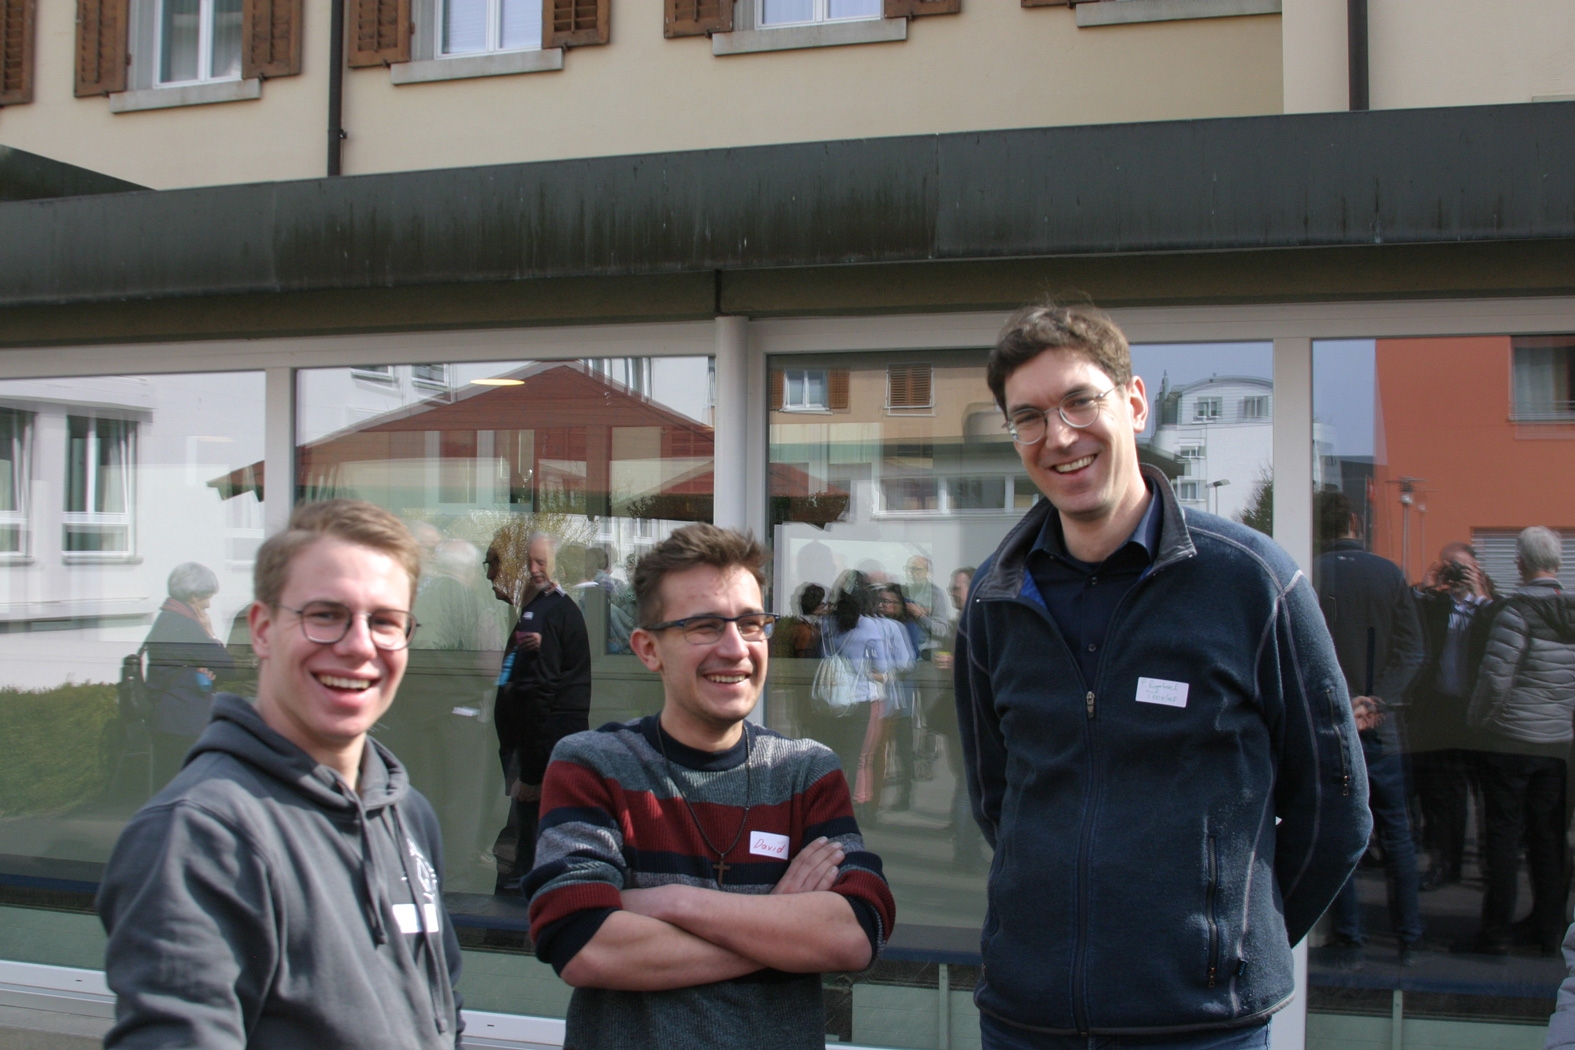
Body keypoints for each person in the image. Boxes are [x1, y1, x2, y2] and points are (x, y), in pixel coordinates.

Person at [954, 302, 1369, 1046]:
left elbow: (1335, 809)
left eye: (1080, 401)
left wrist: (1229, 946)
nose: (1059, 436)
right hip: (1026, 1017)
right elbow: (999, 801)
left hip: (1200, 1026)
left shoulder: (1250, 582)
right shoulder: (995, 597)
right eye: (1029, 417)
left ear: (1135, 404)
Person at [96, 499, 463, 1049]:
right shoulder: (198, 836)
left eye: (385, 621)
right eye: (325, 615)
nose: (359, 645)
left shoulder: (407, 814)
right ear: (263, 630)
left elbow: (441, 1014)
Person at [525, 524, 895, 1050]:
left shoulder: (806, 772)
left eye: (750, 624)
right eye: (704, 626)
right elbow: (582, 943)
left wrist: (674, 902)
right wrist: (780, 921)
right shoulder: (594, 765)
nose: (735, 648)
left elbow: (855, 933)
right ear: (648, 648)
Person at [1313, 490, 1425, 965]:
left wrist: (1344, 704)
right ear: (1355, 523)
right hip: (1381, 724)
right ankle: (1409, 937)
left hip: (1331, 724)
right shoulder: (1388, 573)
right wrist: (1378, 700)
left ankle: (1349, 934)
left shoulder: (1311, 573)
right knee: (1396, 833)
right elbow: (1413, 650)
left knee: (1340, 832)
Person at [1457, 526, 1575, 956]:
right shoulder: (1571, 613)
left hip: (1510, 741)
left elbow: (1495, 679)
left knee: (1503, 839)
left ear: (1520, 563)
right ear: (1556, 563)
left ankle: (1496, 931)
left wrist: (1476, 723)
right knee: (1549, 839)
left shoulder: (1515, 613)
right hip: (1557, 744)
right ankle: (1549, 929)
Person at [491, 530, 593, 892]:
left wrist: (532, 774)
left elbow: (542, 692)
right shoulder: (544, 608)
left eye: (541, 562)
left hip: (541, 752)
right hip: (537, 750)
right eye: (529, 562)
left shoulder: (549, 613)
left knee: (533, 848)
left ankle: (524, 908)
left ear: (557, 566)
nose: (534, 569)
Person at [1408, 540, 1496, 890]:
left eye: (1461, 566)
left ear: (1476, 568)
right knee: (1444, 797)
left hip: (1479, 712)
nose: (1455, 572)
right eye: (1449, 565)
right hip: (1441, 709)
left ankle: (1492, 866)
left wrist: (1480, 594)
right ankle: (1446, 864)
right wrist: (1428, 585)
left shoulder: (1491, 605)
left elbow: (1499, 628)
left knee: (1487, 795)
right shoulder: (1436, 604)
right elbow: (1409, 622)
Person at [144, 561, 238, 787]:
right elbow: (226, 667)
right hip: (184, 723)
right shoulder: (184, 624)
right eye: (207, 597)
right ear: (193, 596)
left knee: (169, 783)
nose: (208, 605)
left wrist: (201, 670)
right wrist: (209, 633)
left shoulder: (166, 618)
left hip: (166, 719)